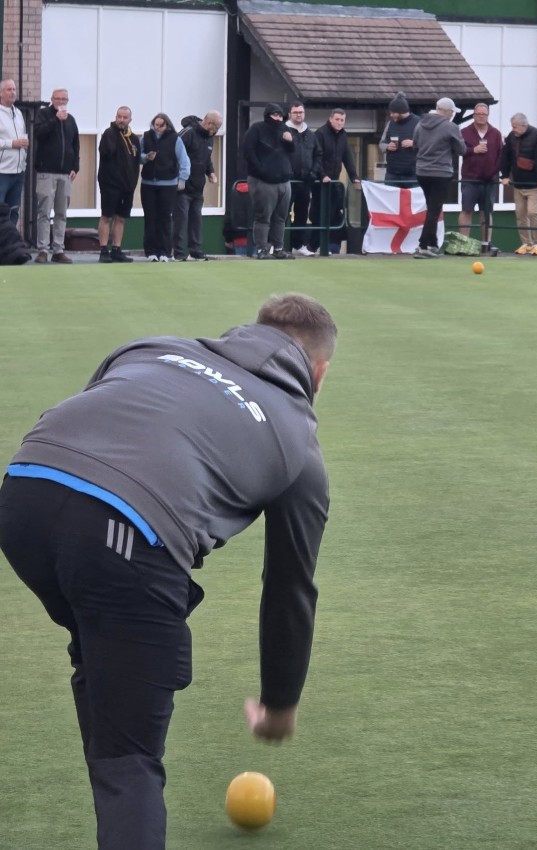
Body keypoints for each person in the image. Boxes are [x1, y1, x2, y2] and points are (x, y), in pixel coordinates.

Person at [0, 292, 337, 850]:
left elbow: (89, 429)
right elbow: (290, 587)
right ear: (318, 373)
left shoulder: (150, 348)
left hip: (23, 497)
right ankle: (117, 743)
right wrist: (279, 702)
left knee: (105, 650)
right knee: (129, 760)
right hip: (124, 535)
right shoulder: (299, 444)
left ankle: (109, 701)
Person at [412, 96, 465, 259]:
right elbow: (462, 150)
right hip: (441, 172)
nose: (452, 115)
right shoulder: (451, 127)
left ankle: (432, 243)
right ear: (447, 111)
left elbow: (415, 145)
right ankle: (423, 246)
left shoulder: (420, 124)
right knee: (434, 211)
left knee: (431, 208)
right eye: (452, 112)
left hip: (422, 171)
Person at [242, 103, 295, 260]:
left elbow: (293, 151)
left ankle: (278, 248)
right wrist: (261, 171)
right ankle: (261, 249)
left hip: (284, 181)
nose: (278, 118)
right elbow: (248, 151)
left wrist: (290, 141)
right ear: (267, 115)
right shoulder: (256, 129)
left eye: (280, 115)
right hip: (263, 181)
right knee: (263, 217)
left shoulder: (285, 130)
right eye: (275, 115)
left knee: (281, 218)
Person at [34, 88, 80, 264]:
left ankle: (58, 249)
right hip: (46, 172)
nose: (61, 102)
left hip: (65, 174)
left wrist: (75, 167)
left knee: (61, 213)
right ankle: (42, 250)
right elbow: (39, 134)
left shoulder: (71, 120)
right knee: (44, 213)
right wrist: (55, 120)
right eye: (58, 99)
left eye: (64, 99)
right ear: (52, 99)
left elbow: (75, 145)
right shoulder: (44, 115)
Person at [308, 108, 361, 255]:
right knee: (319, 214)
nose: (339, 123)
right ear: (331, 119)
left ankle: (327, 246)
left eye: (342, 120)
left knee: (333, 214)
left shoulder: (343, 135)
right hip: (320, 183)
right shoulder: (320, 134)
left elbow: (347, 157)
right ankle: (313, 246)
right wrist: (322, 175)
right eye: (337, 119)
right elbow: (316, 157)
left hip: (334, 181)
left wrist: (354, 176)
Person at [140, 112, 190, 262]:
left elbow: (184, 160)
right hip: (148, 183)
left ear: (167, 125)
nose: (158, 128)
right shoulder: (146, 137)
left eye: (161, 125)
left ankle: (165, 251)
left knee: (165, 218)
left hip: (168, 184)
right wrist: (146, 157)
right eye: (156, 125)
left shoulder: (175, 139)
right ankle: (150, 251)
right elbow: (138, 156)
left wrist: (182, 179)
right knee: (150, 218)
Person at [173, 111, 222, 261]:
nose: (216, 131)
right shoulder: (188, 133)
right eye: (216, 128)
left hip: (198, 188)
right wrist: (178, 179)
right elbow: (174, 153)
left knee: (196, 220)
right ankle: (178, 252)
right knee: (180, 221)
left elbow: (206, 159)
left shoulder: (209, 137)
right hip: (182, 187)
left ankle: (195, 251)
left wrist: (211, 173)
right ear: (209, 123)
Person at [97, 106, 141, 264]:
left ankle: (116, 249)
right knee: (107, 216)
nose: (121, 120)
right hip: (110, 184)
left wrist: (133, 182)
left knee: (121, 218)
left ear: (130, 119)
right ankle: (103, 250)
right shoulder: (109, 133)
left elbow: (136, 161)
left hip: (127, 186)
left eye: (125, 117)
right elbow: (105, 153)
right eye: (119, 117)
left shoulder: (134, 139)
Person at [500, 112, 537, 256]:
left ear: (524, 125)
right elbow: (506, 156)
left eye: (515, 127)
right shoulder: (511, 137)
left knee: (533, 212)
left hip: (535, 184)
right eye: (512, 127)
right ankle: (526, 243)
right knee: (520, 214)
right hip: (519, 183)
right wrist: (505, 175)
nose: (513, 129)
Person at [459, 102, 503, 251]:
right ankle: (464, 243)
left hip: (489, 180)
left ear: (488, 115)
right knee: (466, 210)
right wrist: (473, 150)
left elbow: (501, 155)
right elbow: (459, 150)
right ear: (474, 115)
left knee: (486, 212)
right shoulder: (464, 132)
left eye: (484, 114)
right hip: (470, 178)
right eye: (478, 114)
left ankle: (486, 243)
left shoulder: (496, 133)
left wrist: (495, 173)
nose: (481, 116)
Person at [286, 101, 320, 257]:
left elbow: (318, 155)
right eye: (295, 112)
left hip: (305, 182)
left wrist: (313, 172)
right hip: (287, 181)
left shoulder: (311, 135)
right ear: (290, 114)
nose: (298, 115)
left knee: (302, 214)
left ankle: (298, 244)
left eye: (301, 112)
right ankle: (279, 244)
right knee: (282, 213)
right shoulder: (283, 131)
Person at [0, 79, 29, 225]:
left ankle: (10, 239)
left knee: (13, 212)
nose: (12, 92)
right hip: (2, 172)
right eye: (9, 89)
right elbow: (12, 142)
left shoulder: (18, 113)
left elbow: (22, 136)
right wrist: (12, 143)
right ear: (1, 93)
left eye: (14, 89)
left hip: (18, 172)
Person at [379, 91, 419, 187]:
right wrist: (387, 146)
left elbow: (428, 145)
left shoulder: (419, 123)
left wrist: (413, 143)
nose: (391, 115)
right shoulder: (390, 124)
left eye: (393, 112)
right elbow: (381, 143)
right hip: (392, 174)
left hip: (413, 175)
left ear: (400, 111)